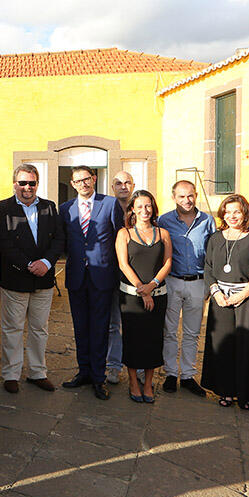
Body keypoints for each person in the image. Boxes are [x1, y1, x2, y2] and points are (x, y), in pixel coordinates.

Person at [0, 164, 64, 394]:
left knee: (39, 328)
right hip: (16, 278)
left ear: (37, 184)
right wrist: (28, 264)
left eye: (31, 183)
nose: (27, 187)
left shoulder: (49, 207)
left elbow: (59, 240)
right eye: (22, 183)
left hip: (43, 279)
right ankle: (11, 375)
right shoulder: (2, 208)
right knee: (12, 329)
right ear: (15, 184)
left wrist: (46, 263)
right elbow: (3, 242)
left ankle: (37, 373)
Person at [200, 194, 249, 410]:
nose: (232, 216)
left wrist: (240, 296)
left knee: (247, 346)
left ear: (245, 214)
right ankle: (226, 391)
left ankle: (247, 393)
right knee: (223, 345)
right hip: (220, 299)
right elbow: (209, 268)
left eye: (237, 212)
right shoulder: (215, 238)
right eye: (228, 211)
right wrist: (216, 293)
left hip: (248, 299)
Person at [59, 166, 125, 399]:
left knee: (100, 328)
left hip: (103, 276)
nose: (83, 184)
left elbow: (120, 238)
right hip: (77, 276)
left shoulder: (109, 204)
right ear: (73, 183)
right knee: (80, 327)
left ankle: (99, 377)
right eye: (78, 181)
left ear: (94, 179)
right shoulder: (65, 209)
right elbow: (63, 241)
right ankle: (83, 372)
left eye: (86, 179)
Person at [156, 180, 215, 397]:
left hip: (198, 283)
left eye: (190, 196)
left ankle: (188, 375)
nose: (186, 200)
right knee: (170, 330)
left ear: (196, 195)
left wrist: (210, 284)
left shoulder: (208, 221)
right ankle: (171, 373)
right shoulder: (164, 221)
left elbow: (213, 255)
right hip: (172, 281)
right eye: (181, 196)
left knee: (192, 332)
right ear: (174, 198)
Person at [115, 191, 172, 403]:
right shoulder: (124, 234)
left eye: (148, 206)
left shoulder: (163, 233)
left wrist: (152, 286)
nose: (144, 211)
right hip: (131, 297)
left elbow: (167, 263)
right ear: (132, 210)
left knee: (153, 339)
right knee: (132, 338)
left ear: (153, 207)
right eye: (139, 207)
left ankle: (148, 383)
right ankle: (132, 381)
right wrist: (141, 288)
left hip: (158, 295)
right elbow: (123, 264)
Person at [106, 171, 135, 383]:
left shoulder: (143, 208)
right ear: (112, 186)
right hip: (111, 275)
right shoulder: (105, 208)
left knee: (136, 324)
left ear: (133, 185)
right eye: (118, 183)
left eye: (127, 182)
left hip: (137, 277)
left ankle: (139, 366)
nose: (123, 186)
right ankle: (114, 366)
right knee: (113, 324)